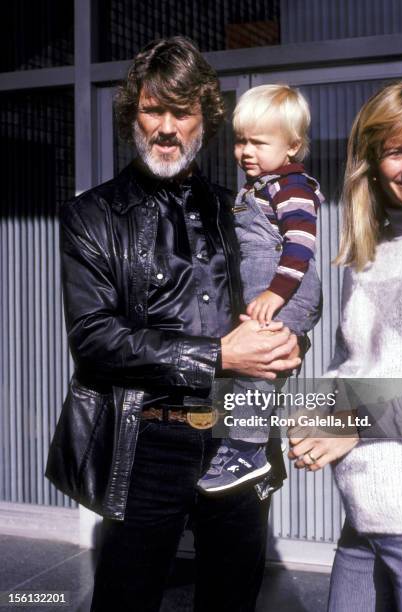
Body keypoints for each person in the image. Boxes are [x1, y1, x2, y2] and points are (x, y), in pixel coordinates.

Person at [45, 36, 307, 612]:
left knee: (232, 596)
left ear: (204, 122)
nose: (166, 127)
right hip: (145, 441)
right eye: (151, 109)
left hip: (235, 432)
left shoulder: (235, 210)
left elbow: (272, 297)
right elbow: (94, 339)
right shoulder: (92, 215)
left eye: (181, 112)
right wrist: (218, 357)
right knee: (125, 598)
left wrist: (290, 341)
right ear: (130, 115)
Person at [288, 81, 402, 611]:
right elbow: (358, 363)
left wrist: (350, 425)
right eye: (396, 151)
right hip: (365, 516)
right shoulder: (371, 250)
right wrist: (315, 409)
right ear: (371, 161)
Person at [198, 84, 322, 494]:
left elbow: (301, 245)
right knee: (252, 377)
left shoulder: (291, 187)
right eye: (240, 141)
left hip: (284, 288)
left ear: (292, 146)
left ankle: (247, 453)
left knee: (257, 374)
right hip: (265, 291)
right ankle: (261, 456)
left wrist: (276, 292)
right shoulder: (256, 188)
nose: (245, 151)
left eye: (258, 142)